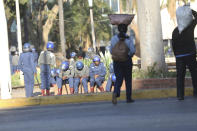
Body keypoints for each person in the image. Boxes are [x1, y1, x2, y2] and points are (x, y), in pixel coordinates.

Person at [172, 9, 197, 100]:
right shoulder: (189, 27)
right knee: (194, 74)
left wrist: (177, 55)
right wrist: (189, 10)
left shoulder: (175, 31)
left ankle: (180, 95)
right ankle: (196, 92)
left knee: (180, 76)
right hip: (190, 54)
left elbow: (173, 45)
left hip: (179, 57)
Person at [110, 24, 136, 104]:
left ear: (118, 30)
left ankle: (116, 92)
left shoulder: (114, 38)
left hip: (117, 61)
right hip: (126, 61)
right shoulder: (129, 38)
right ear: (125, 30)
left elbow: (111, 51)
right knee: (128, 80)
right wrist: (128, 55)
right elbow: (132, 51)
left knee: (119, 78)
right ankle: (128, 98)